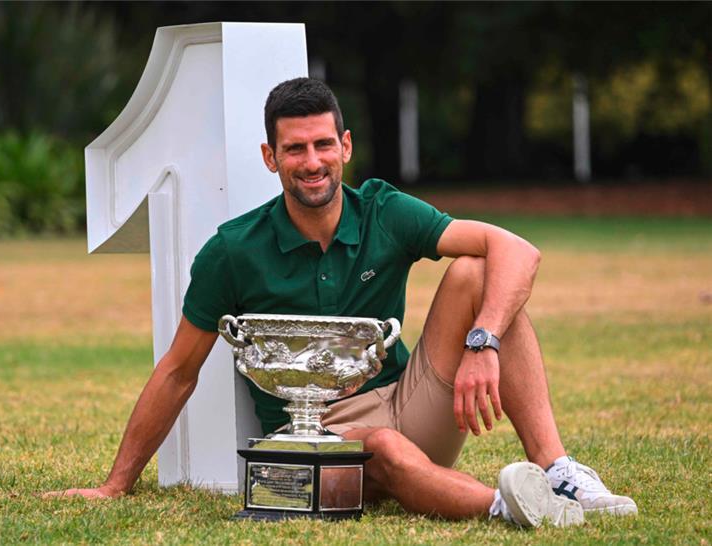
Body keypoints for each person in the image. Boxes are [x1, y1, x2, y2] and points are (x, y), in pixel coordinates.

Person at [45, 78, 637, 527]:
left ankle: (560, 475)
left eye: (323, 144)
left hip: (410, 398)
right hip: (320, 434)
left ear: (345, 146)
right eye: (295, 148)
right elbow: (178, 371)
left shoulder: (382, 209)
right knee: (379, 446)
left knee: (476, 272)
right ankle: (511, 509)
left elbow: (517, 251)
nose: (312, 162)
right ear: (270, 157)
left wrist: (483, 343)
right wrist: (116, 485)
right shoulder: (231, 251)